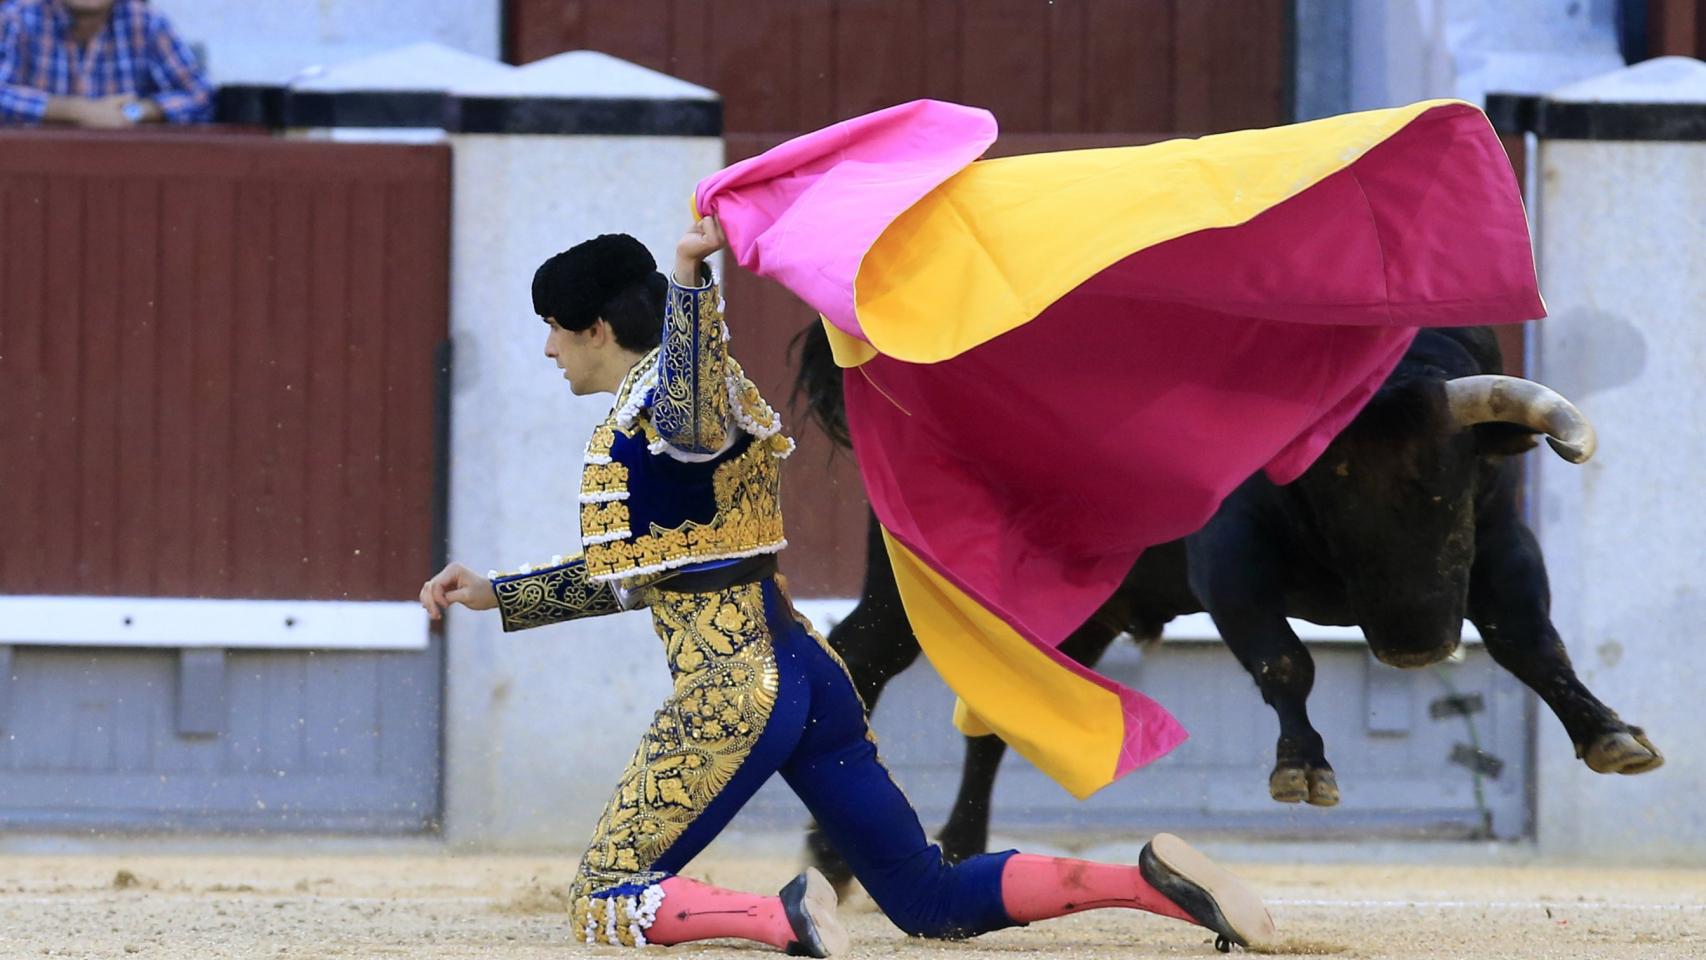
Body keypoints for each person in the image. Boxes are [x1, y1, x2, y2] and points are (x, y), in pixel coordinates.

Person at [419, 217, 1278, 955]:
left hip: (735, 689)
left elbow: (690, 397)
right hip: (808, 674)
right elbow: (640, 575)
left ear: (598, 328)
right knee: (927, 900)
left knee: (604, 893)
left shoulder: (670, 414)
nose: (545, 349)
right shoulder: (687, 407)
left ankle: (782, 919)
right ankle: (1150, 884)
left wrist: (687, 276)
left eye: (553, 328)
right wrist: (502, 592)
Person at [0, 0, 213, 127]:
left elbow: (201, 95)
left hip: (123, 178)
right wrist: (77, 110)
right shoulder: (17, 17)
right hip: (35, 176)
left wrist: (136, 111)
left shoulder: (146, 22)